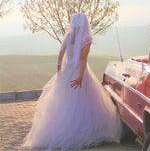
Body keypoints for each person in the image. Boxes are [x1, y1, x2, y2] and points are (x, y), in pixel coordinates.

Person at [22, 13, 122, 150]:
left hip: (67, 71)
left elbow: (60, 53)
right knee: (85, 102)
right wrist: (80, 77)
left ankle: (61, 130)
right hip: (80, 72)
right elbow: (83, 59)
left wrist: (59, 71)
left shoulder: (69, 36)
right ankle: (84, 132)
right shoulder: (87, 38)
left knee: (64, 103)